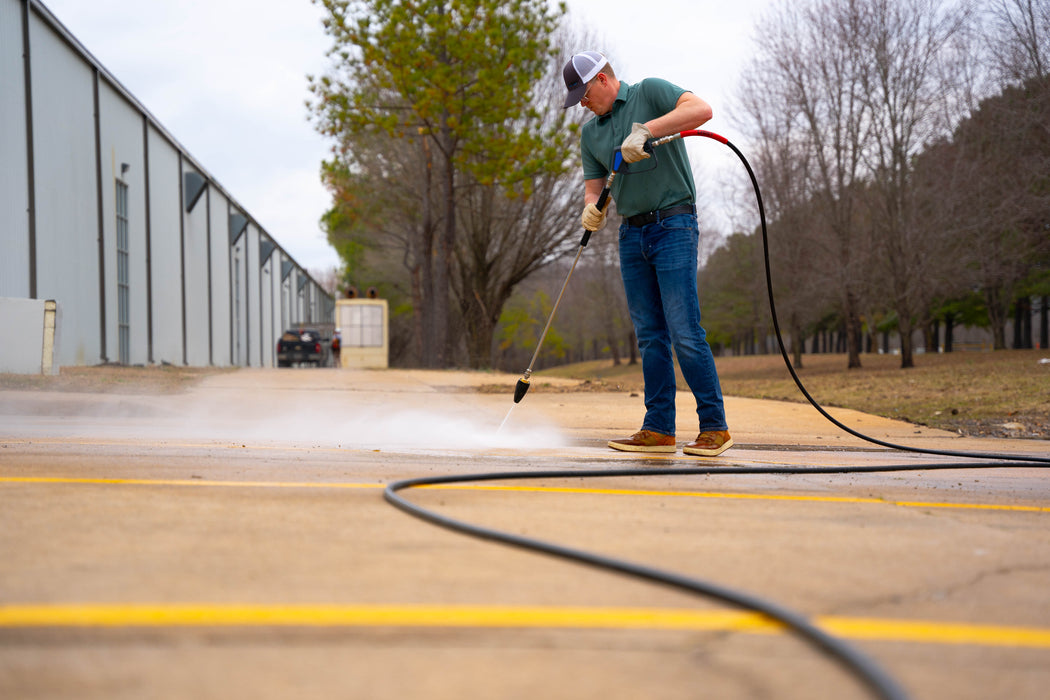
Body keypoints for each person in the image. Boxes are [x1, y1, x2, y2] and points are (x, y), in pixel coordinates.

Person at [561, 50, 732, 457]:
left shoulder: (650, 92)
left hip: (674, 225)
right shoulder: (591, 134)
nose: (582, 104)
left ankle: (715, 428)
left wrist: (646, 131)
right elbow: (594, 184)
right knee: (650, 337)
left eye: (584, 94)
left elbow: (701, 109)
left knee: (684, 330)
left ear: (603, 80)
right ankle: (658, 429)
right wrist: (590, 208)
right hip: (631, 234)